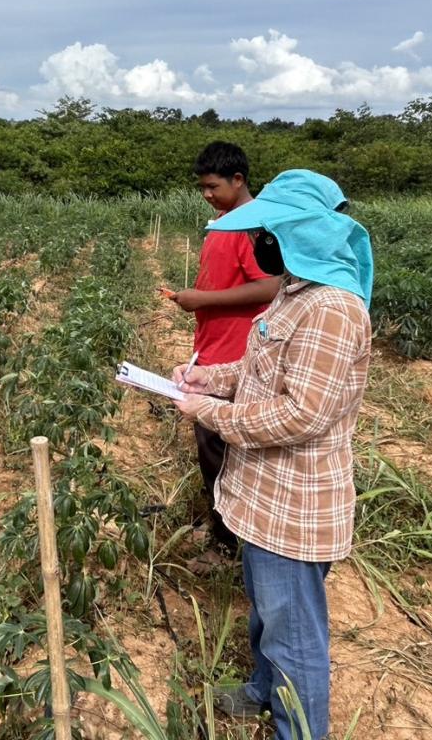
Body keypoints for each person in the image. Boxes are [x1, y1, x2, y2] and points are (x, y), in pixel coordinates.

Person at [170, 169, 372, 740]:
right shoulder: (294, 291)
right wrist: (209, 379)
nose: (260, 241)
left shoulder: (332, 308)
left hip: (295, 503)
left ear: (298, 232)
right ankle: (263, 690)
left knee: (295, 635)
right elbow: (264, 372)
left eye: (268, 230)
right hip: (262, 495)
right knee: (266, 613)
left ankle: (300, 730)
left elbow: (302, 414)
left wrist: (207, 412)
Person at [167, 141, 281, 554]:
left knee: (220, 449)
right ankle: (227, 528)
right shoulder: (224, 223)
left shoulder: (253, 228)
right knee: (212, 446)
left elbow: (271, 284)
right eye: (202, 186)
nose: (206, 194)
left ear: (239, 180)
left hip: (236, 354)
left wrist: (203, 299)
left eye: (213, 186)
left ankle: (229, 540)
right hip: (213, 349)